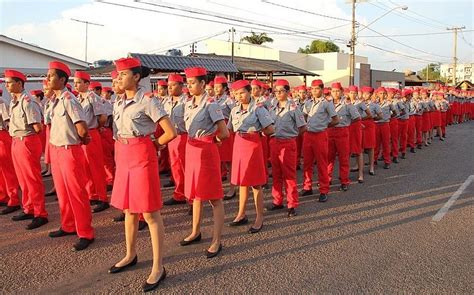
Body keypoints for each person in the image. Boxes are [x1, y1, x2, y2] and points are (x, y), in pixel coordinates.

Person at [108, 57, 175, 292]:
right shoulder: (118, 102)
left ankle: (158, 267)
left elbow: (170, 132)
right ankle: (130, 254)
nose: (119, 78)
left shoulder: (148, 101)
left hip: (141, 154)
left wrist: (155, 144)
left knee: (149, 213)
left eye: (123, 74)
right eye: (117, 75)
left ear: (137, 77)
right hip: (123, 155)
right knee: (128, 209)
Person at [180, 66, 229, 259]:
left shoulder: (211, 104)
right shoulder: (189, 103)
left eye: (193, 83)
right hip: (191, 149)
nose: (189, 86)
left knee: (214, 197)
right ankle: (195, 231)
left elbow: (224, 132)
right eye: (188, 83)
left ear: (202, 83)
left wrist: (212, 142)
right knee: (196, 194)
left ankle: (217, 240)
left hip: (206, 151)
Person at [47, 61, 95, 251]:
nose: (47, 78)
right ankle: (68, 225)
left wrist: (83, 139)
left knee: (76, 193)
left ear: (62, 79)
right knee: (62, 192)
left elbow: (81, 127)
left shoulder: (69, 99)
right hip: (57, 149)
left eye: (51, 76)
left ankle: (85, 232)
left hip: (69, 150)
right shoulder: (54, 100)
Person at [227, 80, 274, 233]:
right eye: (236, 94)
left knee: (255, 184)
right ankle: (241, 214)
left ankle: (259, 217)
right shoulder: (234, 110)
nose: (239, 96)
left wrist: (259, 132)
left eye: (242, 93)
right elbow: (229, 129)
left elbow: (270, 129)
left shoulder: (259, 109)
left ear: (249, 92)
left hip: (253, 145)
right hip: (239, 144)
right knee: (242, 182)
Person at [4, 69, 48, 230]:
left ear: (19, 83)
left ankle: (40, 213)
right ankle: (28, 208)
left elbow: (37, 127)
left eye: (9, 82)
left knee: (32, 178)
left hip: (27, 140)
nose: (6, 85)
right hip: (17, 140)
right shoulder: (16, 101)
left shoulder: (28, 101)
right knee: (22, 178)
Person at [267, 79, 306, 217]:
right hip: (274, 142)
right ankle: (277, 201)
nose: (278, 93)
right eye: (275, 91)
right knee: (276, 174)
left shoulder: (293, 108)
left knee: (289, 175)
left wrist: (292, 137)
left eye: (281, 91)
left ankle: (292, 204)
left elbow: (302, 127)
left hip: (288, 143)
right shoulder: (272, 107)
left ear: (288, 92)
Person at [74, 71, 109, 213]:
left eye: (78, 82)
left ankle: (102, 197)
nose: (75, 85)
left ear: (87, 84)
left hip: (92, 132)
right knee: (85, 166)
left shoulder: (92, 97)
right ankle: (92, 193)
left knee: (96, 166)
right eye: (75, 82)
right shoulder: (77, 98)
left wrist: (98, 128)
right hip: (82, 135)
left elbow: (102, 117)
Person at [300, 79, 338, 202]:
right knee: (307, 162)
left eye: (316, 88)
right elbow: (303, 117)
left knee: (322, 163)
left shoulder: (327, 103)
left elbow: (336, 120)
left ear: (322, 89)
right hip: (308, 135)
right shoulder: (308, 102)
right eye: (312, 88)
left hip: (320, 135)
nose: (313, 91)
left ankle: (324, 190)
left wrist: (325, 126)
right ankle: (307, 186)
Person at [162, 74, 189, 208]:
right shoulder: (166, 101)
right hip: (171, 138)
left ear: (181, 86)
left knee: (186, 168)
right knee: (175, 167)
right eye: (169, 86)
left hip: (184, 137)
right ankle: (179, 194)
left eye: (173, 85)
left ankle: (191, 198)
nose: (170, 88)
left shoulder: (187, 102)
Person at [327, 82, 360, 191]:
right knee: (328, 157)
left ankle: (344, 181)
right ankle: (327, 178)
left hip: (342, 132)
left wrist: (347, 123)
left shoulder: (347, 104)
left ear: (341, 92)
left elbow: (357, 117)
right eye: (333, 91)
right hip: (330, 131)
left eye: (337, 91)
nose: (335, 93)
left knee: (343, 158)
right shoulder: (327, 103)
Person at [213, 76, 236, 199]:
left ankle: (232, 189)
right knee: (217, 161)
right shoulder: (212, 100)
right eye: (215, 87)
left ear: (225, 88)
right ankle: (217, 189)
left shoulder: (229, 101)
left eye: (218, 87)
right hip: (215, 131)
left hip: (226, 130)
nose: (216, 89)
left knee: (228, 162)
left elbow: (235, 115)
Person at [0, 88, 21, 215]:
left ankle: (13, 199)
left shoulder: (1, 102)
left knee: (8, 170)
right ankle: (3, 195)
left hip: (3, 135)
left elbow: (7, 122)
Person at [360, 86, 382, 176]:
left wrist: (372, 118)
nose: (365, 95)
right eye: (364, 93)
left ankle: (371, 166)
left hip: (369, 125)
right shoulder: (359, 103)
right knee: (360, 146)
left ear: (371, 94)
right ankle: (358, 165)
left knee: (370, 146)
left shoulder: (374, 105)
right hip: (360, 125)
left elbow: (380, 116)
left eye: (367, 93)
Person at [374, 87, 395, 169]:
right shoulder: (374, 103)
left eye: (383, 93)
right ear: (377, 94)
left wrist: (388, 117)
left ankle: (387, 161)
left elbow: (395, 112)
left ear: (386, 95)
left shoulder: (389, 103)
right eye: (380, 93)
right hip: (376, 124)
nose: (382, 95)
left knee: (386, 143)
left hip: (385, 124)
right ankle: (374, 159)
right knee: (376, 143)